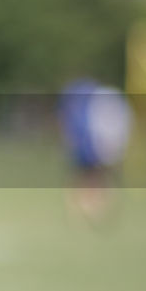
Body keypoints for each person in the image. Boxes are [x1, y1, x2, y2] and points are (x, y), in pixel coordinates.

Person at [59, 78, 131, 225]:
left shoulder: (91, 106)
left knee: (88, 177)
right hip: (97, 147)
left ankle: (86, 210)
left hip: (95, 147)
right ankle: (86, 210)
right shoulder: (97, 103)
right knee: (90, 177)